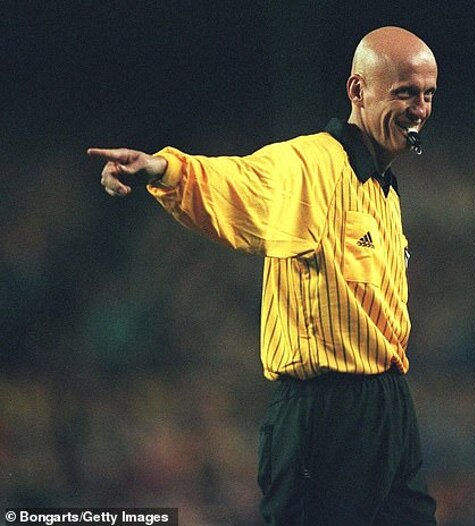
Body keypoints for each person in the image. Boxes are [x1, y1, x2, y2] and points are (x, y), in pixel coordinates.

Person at [88, 25, 438, 526]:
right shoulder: (312, 164)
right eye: (404, 92)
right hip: (326, 417)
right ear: (358, 90)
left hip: (389, 408)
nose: (419, 108)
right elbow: (242, 180)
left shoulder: (382, 187)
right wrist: (163, 169)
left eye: (428, 94)